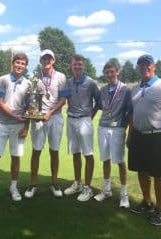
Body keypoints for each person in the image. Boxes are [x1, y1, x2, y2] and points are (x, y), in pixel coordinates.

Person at [0, 52, 31, 201]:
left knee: (15, 157)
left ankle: (13, 187)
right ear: (13, 63)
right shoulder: (3, 79)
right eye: (18, 62)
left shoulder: (28, 83)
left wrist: (26, 127)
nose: (19, 66)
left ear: (25, 66)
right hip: (2, 124)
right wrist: (14, 116)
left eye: (23, 64)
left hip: (19, 126)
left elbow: (30, 107)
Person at [128, 54, 161, 226]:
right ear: (138, 68)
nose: (145, 67)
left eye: (148, 64)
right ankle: (147, 202)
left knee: (159, 174)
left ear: (154, 66)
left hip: (157, 135)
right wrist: (130, 135)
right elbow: (132, 114)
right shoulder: (135, 89)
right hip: (138, 136)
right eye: (141, 65)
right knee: (141, 171)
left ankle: (159, 209)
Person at [24, 49, 66, 198]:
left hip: (54, 117)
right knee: (36, 151)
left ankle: (54, 183)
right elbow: (31, 99)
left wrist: (50, 112)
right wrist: (32, 111)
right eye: (44, 59)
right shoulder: (35, 76)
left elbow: (63, 99)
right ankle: (33, 184)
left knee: (54, 151)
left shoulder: (61, 76)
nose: (46, 61)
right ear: (40, 61)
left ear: (53, 60)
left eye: (49, 58)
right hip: (38, 118)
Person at [94, 61, 131, 208]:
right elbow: (99, 106)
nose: (109, 74)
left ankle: (124, 194)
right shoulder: (102, 90)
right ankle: (107, 189)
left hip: (118, 129)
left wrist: (125, 129)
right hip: (103, 127)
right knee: (105, 159)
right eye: (107, 72)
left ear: (118, 72)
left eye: (112, 71)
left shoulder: (125, 90)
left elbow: (129, 112)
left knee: (120, 161)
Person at [63, 54, 100, 202]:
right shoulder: (69, 82)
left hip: (85, 120)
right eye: (75, 64)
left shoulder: (91, 82)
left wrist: (90, 116)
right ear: (71, 66)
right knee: (76, 153)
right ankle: (77, 183)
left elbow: (99, 102)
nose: (77, 66)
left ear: (83, 66)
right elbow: (63, 98)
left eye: (80, 64)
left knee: (88, 154)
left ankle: (87, 188)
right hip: (71, 119)